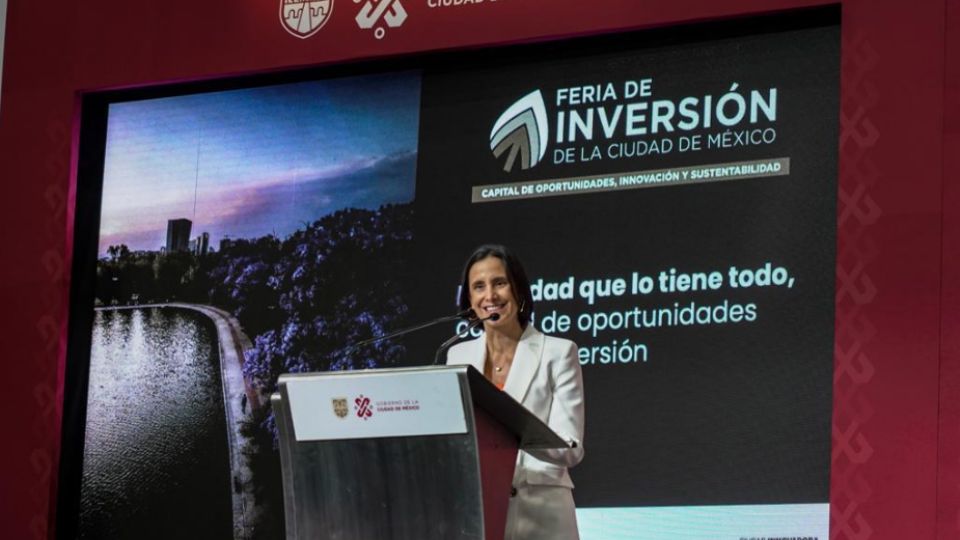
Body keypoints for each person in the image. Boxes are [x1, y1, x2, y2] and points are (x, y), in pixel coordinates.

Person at [446, 244, 585, 540]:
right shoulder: (456, 356)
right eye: (479, 287)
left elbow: (570, 449)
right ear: (469, 299)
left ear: (519, 290)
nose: (490, 296)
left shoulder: (558, 353)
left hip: (543, 516)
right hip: (479, 514)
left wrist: (512, 429)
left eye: (500, 283)